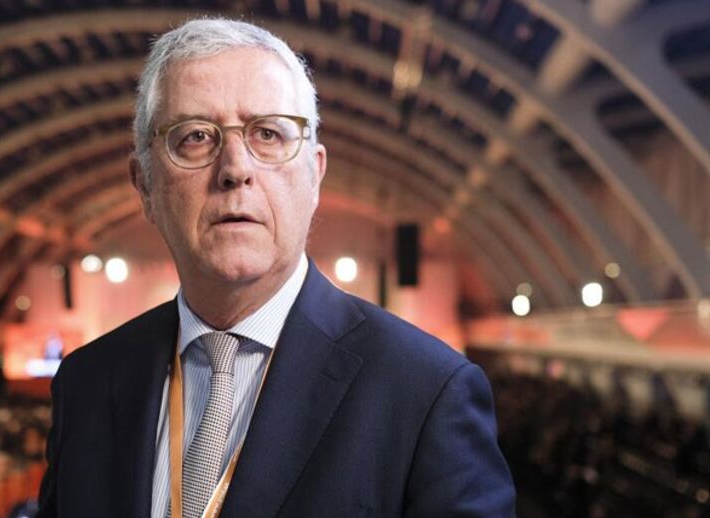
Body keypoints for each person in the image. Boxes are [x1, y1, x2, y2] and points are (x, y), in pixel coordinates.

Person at [37, 18, 515, 517]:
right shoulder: (86, 383)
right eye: (195, 137)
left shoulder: (425, 392)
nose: (235, 169)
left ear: (314, 176)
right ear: (145, 186)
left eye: (268, 134)